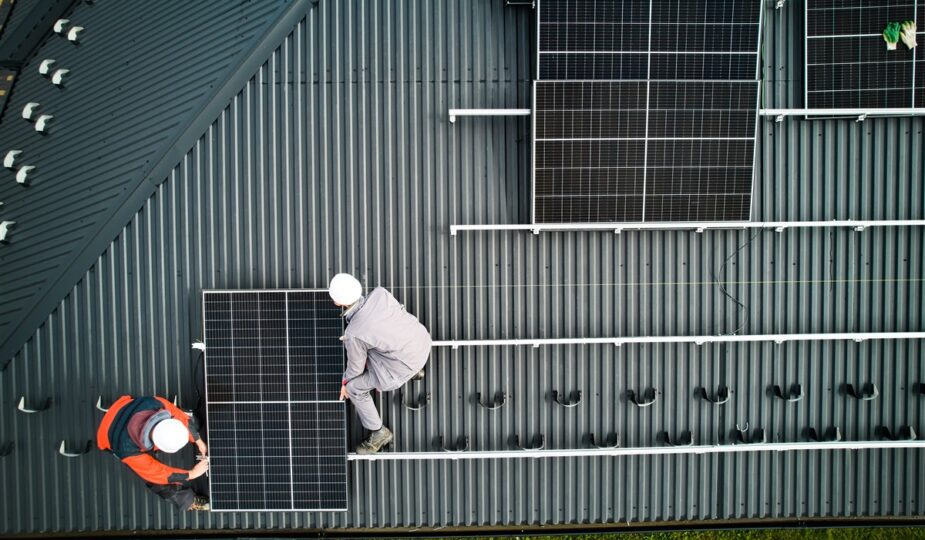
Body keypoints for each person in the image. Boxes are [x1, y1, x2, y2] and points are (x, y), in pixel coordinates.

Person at [330, 273, 432, 454]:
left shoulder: (354, 332)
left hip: (401, 367)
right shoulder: (380, 293)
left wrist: (345, 383)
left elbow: (355, 368)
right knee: (375, 343)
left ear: (338, 302)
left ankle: (379, 433)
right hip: (422, 343)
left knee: (355, 388)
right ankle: (415, 370)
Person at [96, 395, 210, 511]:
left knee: (192, 424)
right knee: (156, 481)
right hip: (108, 435)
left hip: (121, 408)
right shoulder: (127, 451)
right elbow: (159, 474)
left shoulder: (156, 403)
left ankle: (193, 430)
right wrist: (192, 474)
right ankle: (188, 501)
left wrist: (198, 441)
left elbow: (180, 417)